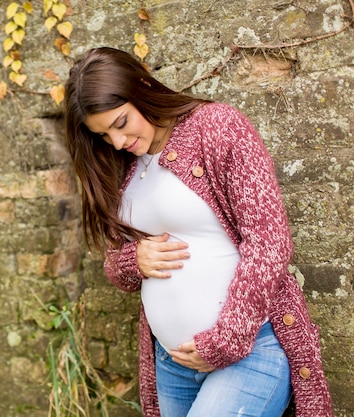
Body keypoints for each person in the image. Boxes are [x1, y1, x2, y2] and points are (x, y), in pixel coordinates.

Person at [63, 46, 333, 417]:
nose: (118, 141)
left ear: (141, 87)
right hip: (171, 364)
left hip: (249, 350)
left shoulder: (216, 127)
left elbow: (269, 241)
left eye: (121, 123)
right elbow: (116, 269)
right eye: (104, 135)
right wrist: (133, 259)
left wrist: (227, 340)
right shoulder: (120, 166)